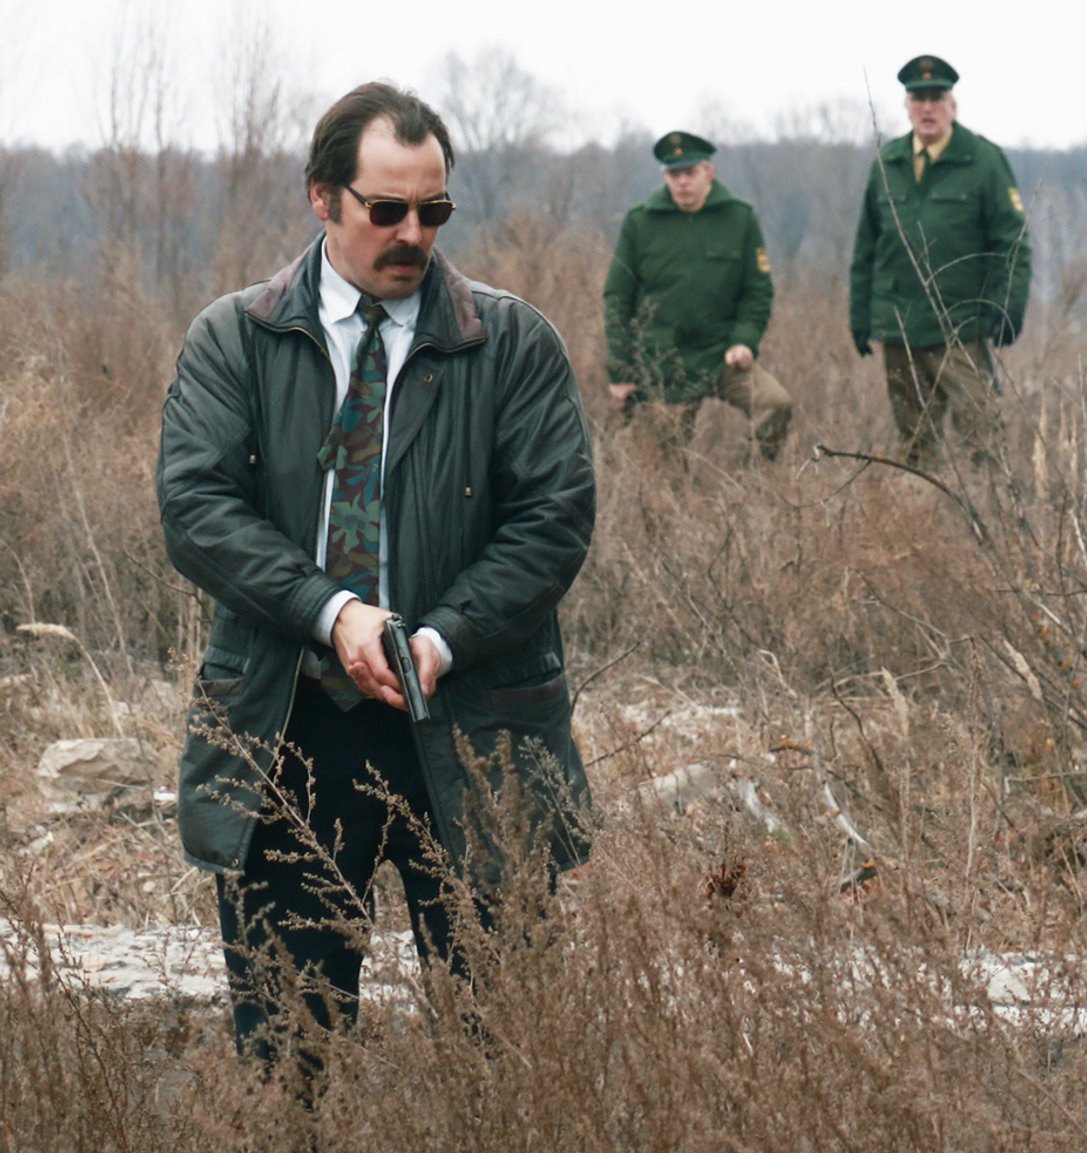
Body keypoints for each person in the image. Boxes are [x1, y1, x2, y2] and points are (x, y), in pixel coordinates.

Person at [157, 82, 596, 1080]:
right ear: (322, 199)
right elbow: (196, 509)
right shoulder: (237, 337)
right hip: (288, 728)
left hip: (478, 724)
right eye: (385, 209)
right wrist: (332, 613)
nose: (412, 232)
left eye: (433, 210)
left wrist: (436, 639)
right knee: (288, 1056)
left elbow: (552, 521)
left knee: (507, 1057)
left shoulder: (512, 342)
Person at [849, 54, 1031, 466]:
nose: (926, 108)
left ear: (952, 105)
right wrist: (860, 316)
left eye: (935, 97)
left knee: (983, 435)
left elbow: (1013, 244)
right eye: (918, 99)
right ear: (907, 106)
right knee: (915, 445)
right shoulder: (888, 162)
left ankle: (988, 521)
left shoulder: (983, 161)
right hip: (900, 326)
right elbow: (866, 249)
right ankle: (925, 524)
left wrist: (1009, 308)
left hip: (960, 327)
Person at [604, 130, 790, 461]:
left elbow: (757, 292)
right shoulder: (641, 222)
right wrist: (622, 372)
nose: (683, 182)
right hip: (663, 360)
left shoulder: (739, 218)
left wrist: (744, 342)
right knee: (663, 467)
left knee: (775, 404)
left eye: (691, 173)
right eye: (675, 174)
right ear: (664, 176)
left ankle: (755, 481)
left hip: (722, 354)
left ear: (709, 173)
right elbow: (617, 299)